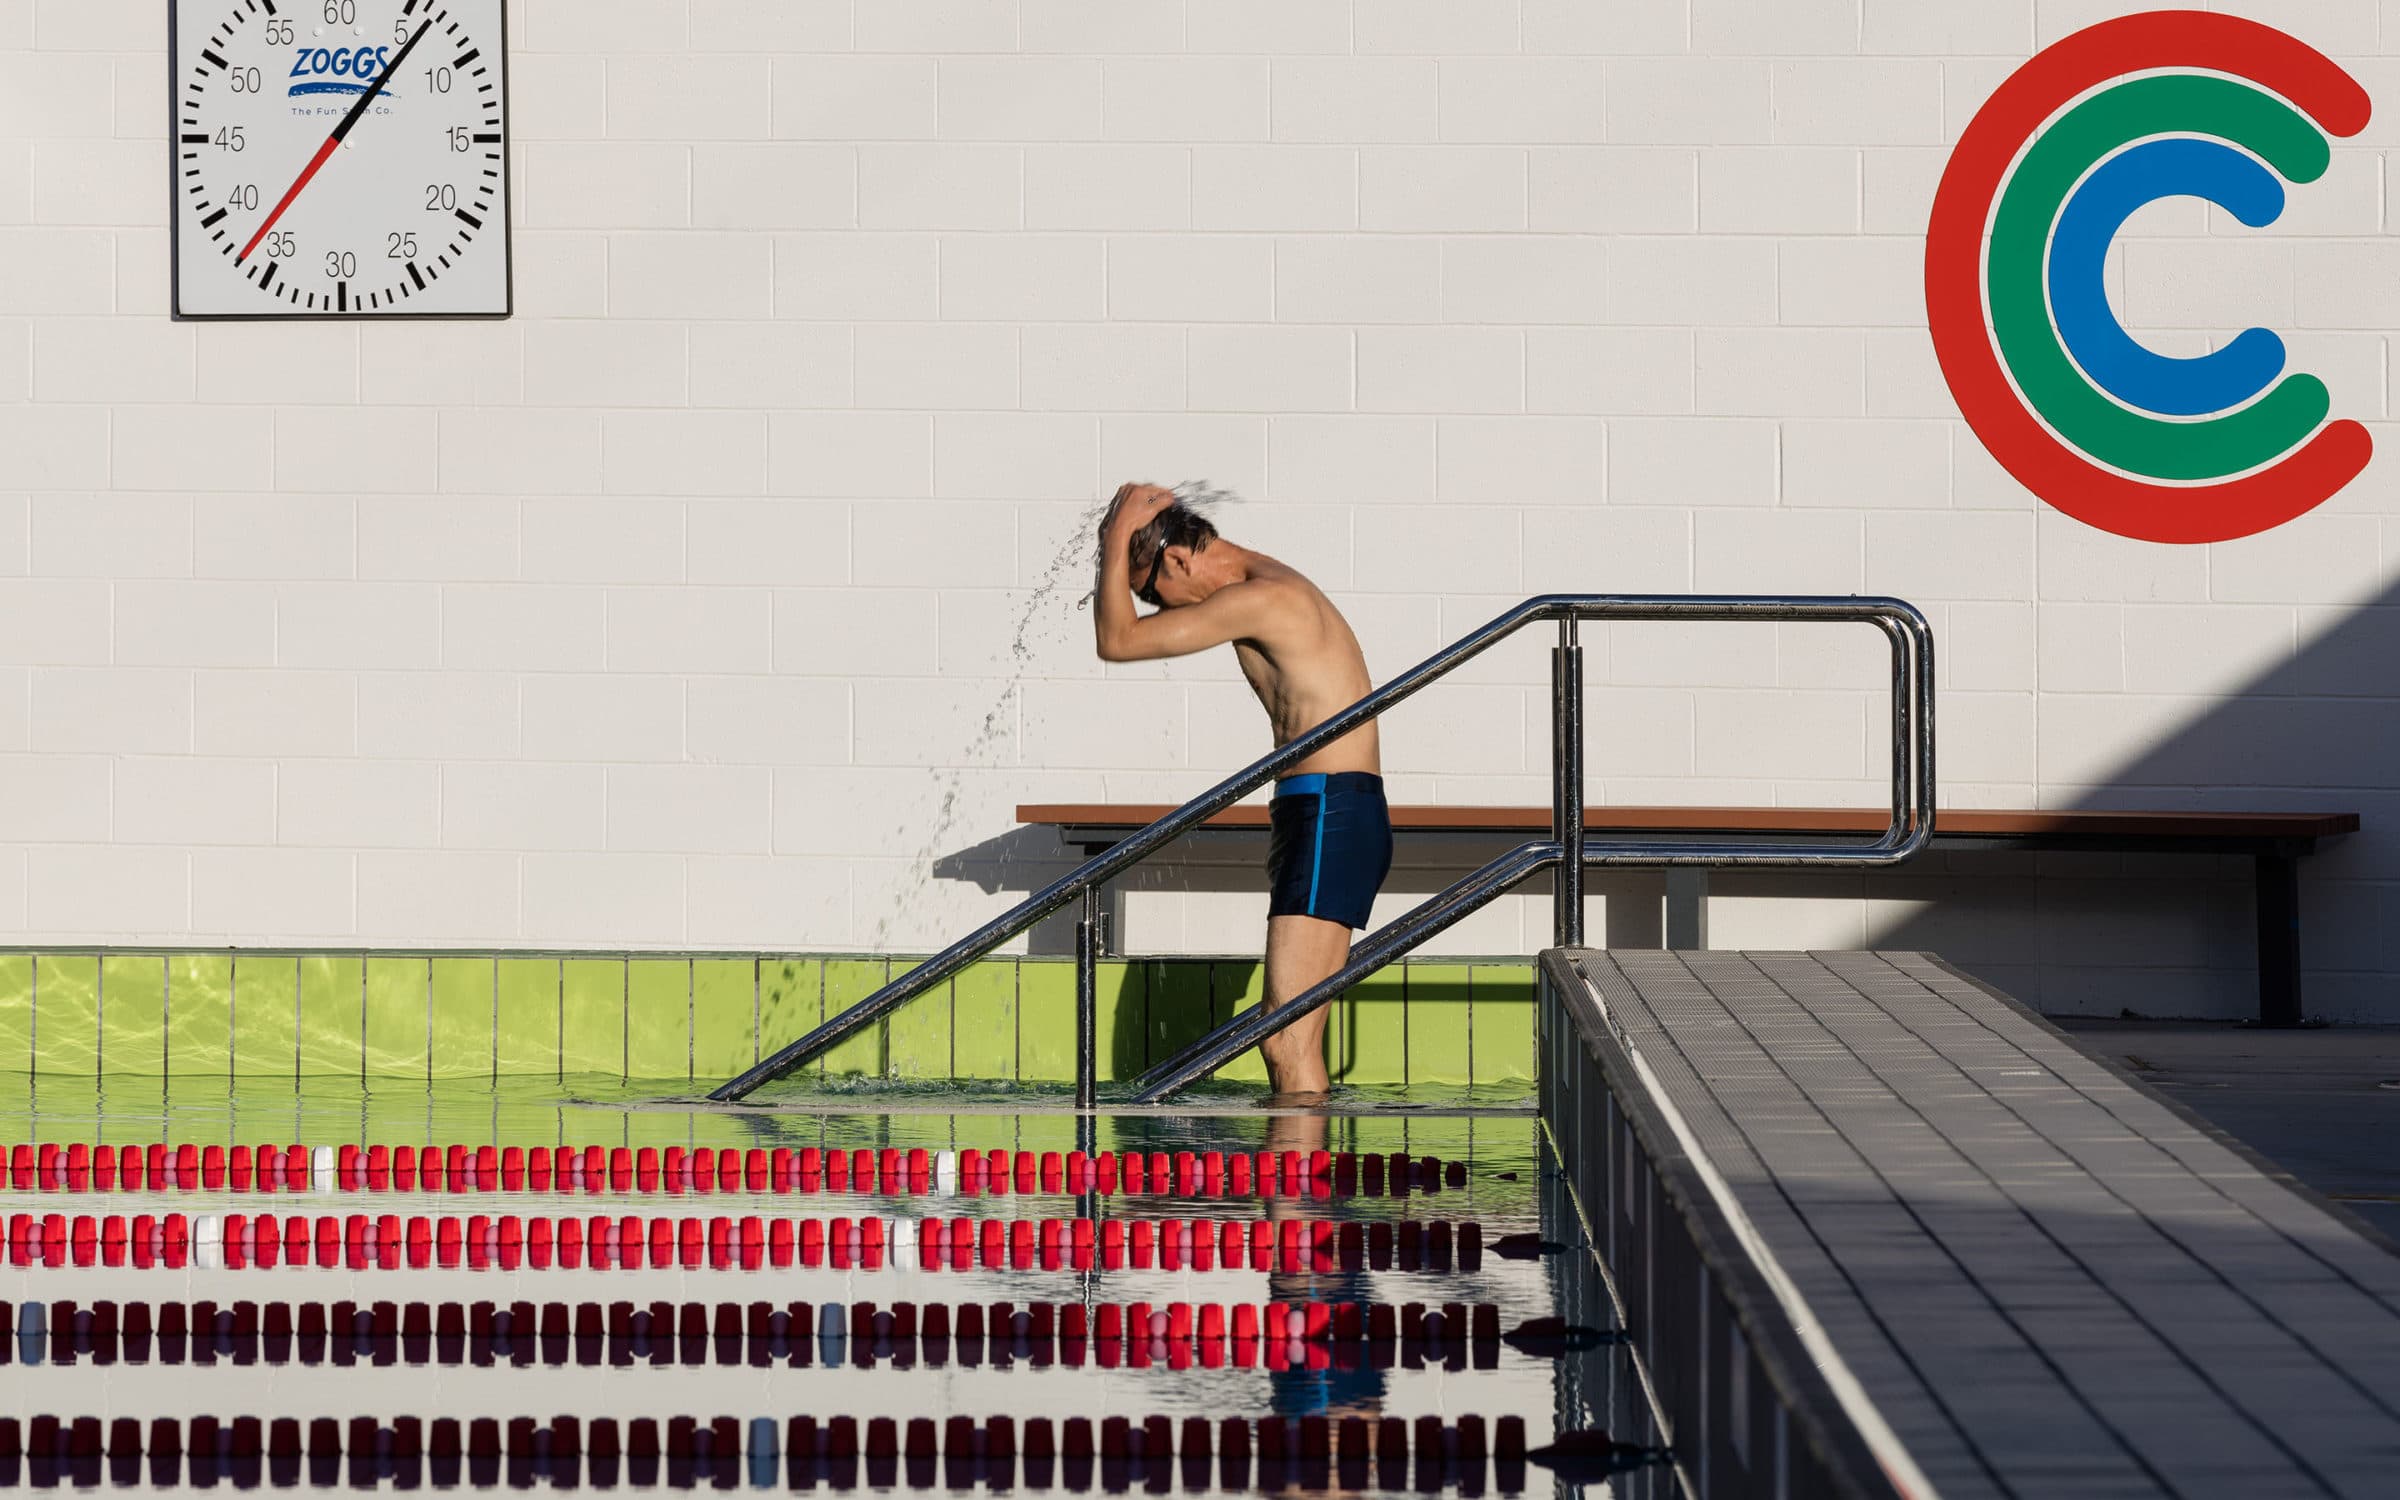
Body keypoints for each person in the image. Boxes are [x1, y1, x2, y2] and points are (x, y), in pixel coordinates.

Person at [1093, 482, 1393, 1100]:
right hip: (1320, 808)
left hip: (1330, 809)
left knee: (1285, 1038)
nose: (1155, 612)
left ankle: (1298, 1197)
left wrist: (1115, 537)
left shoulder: (1263, 598)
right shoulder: (1259, 586)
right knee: (1293, 1034)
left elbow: (1115, 641)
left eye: (1151, 594)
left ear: (1177, 558)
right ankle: (1301, 1195)